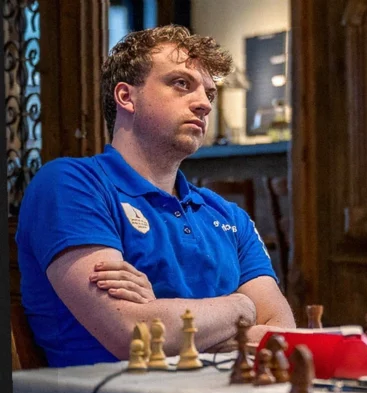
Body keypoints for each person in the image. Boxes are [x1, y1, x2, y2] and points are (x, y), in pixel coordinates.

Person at [15, 25, 296, 367]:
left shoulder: (228, 215)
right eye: (181, 84)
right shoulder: (71, 183)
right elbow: (134, 334)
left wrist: (164, 315)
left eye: (209, 93)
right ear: (126, 96)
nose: (204, 104)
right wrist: (242, 307)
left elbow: (282, 336)